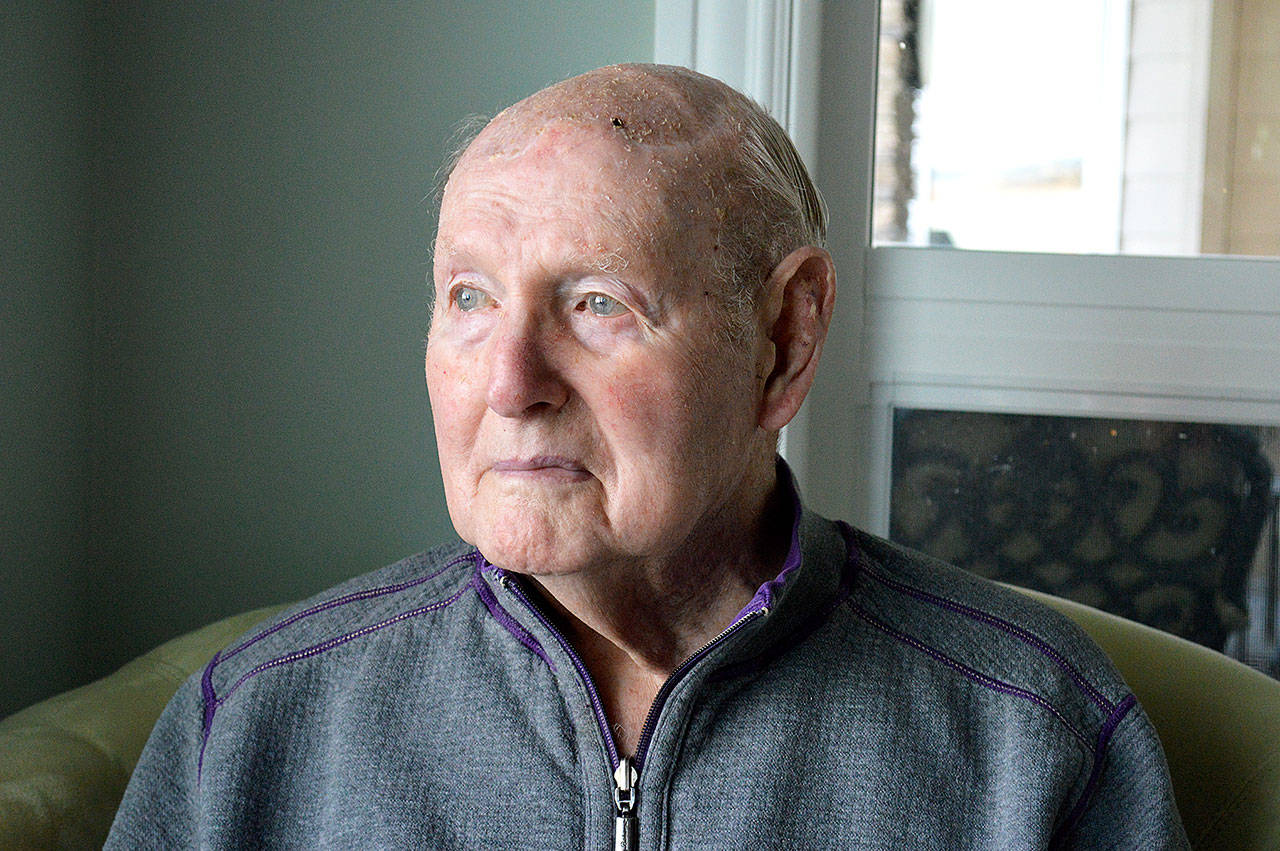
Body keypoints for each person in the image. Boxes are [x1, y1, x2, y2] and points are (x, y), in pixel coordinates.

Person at [107, 63, 1188, 849]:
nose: (510, 382)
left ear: (783, 338)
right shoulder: (256, 724)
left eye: (595, 304)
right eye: (469, 299)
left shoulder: (1028, 735)